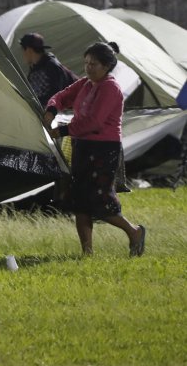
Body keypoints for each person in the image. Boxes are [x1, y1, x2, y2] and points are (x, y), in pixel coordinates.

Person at [45, 42, 146, 257]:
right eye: (87, 63)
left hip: (103, 150)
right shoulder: (85, 83)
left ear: (106, 66)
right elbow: (62, 96)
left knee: (99, 201)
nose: (88, 68)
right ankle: (87, 254)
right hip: (81, 147)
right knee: (79, 201)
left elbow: (95, 122)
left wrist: (62, 131)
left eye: (94, 64)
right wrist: (51, 109)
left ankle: (134, 231)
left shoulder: (110, 88)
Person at [20, 32, 78, 107]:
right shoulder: (34, 70)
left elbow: (57, 94)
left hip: (78, 105)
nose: (23, 54)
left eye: (23, 50)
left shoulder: (52, 66)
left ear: (29, 50)